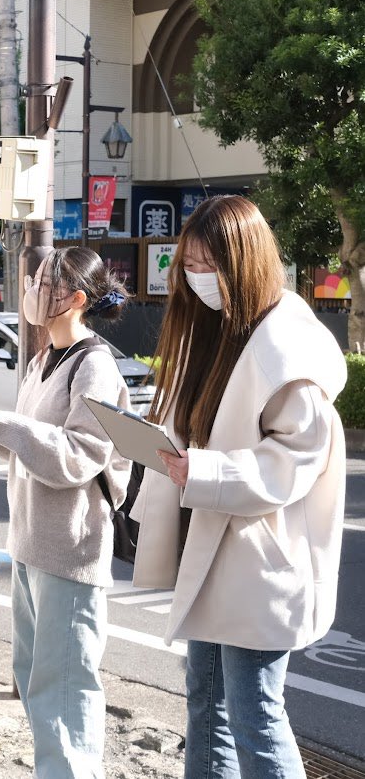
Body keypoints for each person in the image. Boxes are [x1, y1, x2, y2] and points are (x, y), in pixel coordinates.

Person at [130, 195, 347, 779]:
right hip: (220, 550)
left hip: (259, 559)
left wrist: (201, 472)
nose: (197, 278)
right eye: (189, 265)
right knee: (208, 708)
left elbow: (296, 458)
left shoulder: (282, 344)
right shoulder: (219, 330)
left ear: (243, 262)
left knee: (252, 714)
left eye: (208, 265)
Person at [0, 246, 132, 778]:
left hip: (71, 550)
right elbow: (34, 449)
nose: (31, 287)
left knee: (66, 688)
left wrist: (4, 426)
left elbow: (79, 455)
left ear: (75, 298)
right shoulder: (42, 359)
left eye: (43, 281)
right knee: (35, 678)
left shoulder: (94, 364)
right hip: (31, 544)